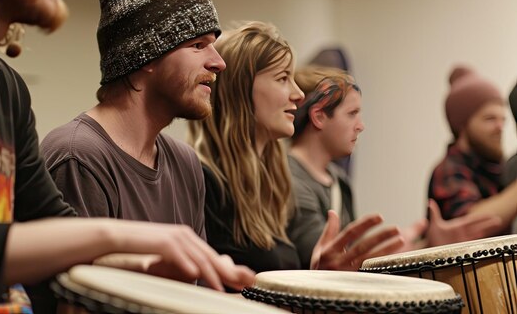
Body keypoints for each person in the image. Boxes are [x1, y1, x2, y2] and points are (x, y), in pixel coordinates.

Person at [0, 0, 253, 312]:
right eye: (196, 44)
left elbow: (50, 223)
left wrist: (145, 267)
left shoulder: (5, 87)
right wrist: (120, 237)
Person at [188, 21, 405, 276]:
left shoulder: (272, 186)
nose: (299, 94)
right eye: (282, 78)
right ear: (241, 90)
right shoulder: (204, 182)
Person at [40, 0, 220, 246]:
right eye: (198, 45)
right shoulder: (78, 157)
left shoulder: (185, 164)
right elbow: (85, 288)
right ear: (147, 56)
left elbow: (197, 287)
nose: (218, 62)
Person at [289, 66, 502, 270]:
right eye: (352, 113)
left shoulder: (338, 179)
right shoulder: (291, 181)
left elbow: (355, 261)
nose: (360, 125)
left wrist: (429, 245)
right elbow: (333, 268)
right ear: (318, 116)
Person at [429, 65, 517, 236]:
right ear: (462, 125)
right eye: (490, 119)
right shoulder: (448, 170)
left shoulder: (500, 167)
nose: (500, 127)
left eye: (503, 120)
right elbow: (470, 225)